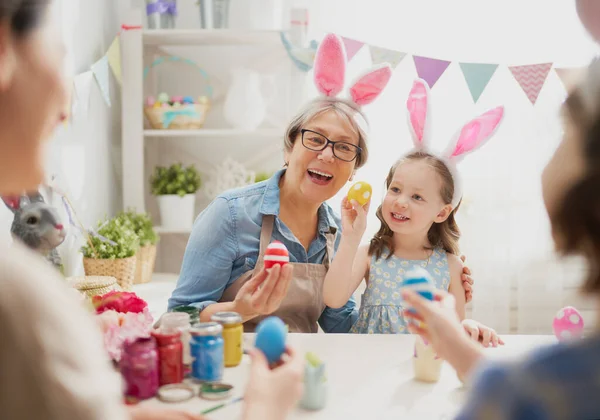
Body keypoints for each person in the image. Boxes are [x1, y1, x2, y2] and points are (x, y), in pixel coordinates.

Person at [0, 1, 303, 419]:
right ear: (5, 53)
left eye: (346, 149)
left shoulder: (337, 229)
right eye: (61, 52)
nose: (67, 104)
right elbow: (182, 312)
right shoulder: (16, 294)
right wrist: (266, 409)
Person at [168, 35, 475, 333]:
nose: (327, 155)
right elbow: (175, 318)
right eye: (315, 139)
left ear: (354, 169)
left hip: (300, 372)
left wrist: (407, 297)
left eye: (344, 148)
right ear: (289, 148)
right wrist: (239, 310)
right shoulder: (231, 215)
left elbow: (341, 324)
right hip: (229, 370)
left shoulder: (339, 233)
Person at [402, 59, 600, 419]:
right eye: (395, 189)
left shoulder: (534, 390)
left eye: (564, 132)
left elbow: (516, 395)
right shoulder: (537, 387)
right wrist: (456, 345)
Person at [322, 79, 501, 344]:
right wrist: (350, 238)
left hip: (422, 368)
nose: (400, 201)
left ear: (442, 213)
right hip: (367, 365)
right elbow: (333, 299)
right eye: (395, 189)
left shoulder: (451, 266)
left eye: (417, 196)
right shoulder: (372, 254)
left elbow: (457, 328)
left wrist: (470, 326)